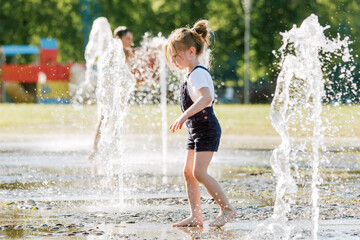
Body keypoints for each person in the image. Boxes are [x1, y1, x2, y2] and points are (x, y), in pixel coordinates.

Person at [164, 20, 236, 228]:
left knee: (199, 173)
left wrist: (183, 116)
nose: (175, 60)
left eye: (177, 55)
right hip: (196, 129)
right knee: (188, 172)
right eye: (172, 57)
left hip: (206, 128)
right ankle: (196, 217)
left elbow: (206, 98)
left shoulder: (198, 73)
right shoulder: (191, 74)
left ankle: (227, 208)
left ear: (191, 51)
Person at [88, 25, 134, 162]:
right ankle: (94, 150)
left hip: (118, 91)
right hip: (108, 90)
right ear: (118, 38)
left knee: (117, 120)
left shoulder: (127, 52)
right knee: (104, 119)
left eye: (131, 39)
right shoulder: (112, 50)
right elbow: (105, 72)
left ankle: (113, 149)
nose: (130, 42)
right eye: (127, 39)